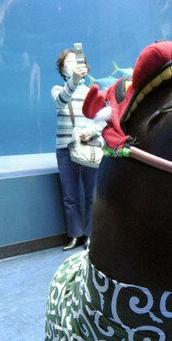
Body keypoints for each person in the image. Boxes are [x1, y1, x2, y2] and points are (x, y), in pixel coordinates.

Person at [52, 48, 101, 251]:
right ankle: (74, 235)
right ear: (63, 69)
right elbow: (61, 101)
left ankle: (90, 235)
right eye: (68, 62)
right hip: (65, 148)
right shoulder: (57, 89)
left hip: (89, 148)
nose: (72, 64)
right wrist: (73, 80)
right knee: (69, 196)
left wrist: (93, 131)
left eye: (76, 60)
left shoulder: (93, 92)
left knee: (92, 195)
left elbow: (102, 120)